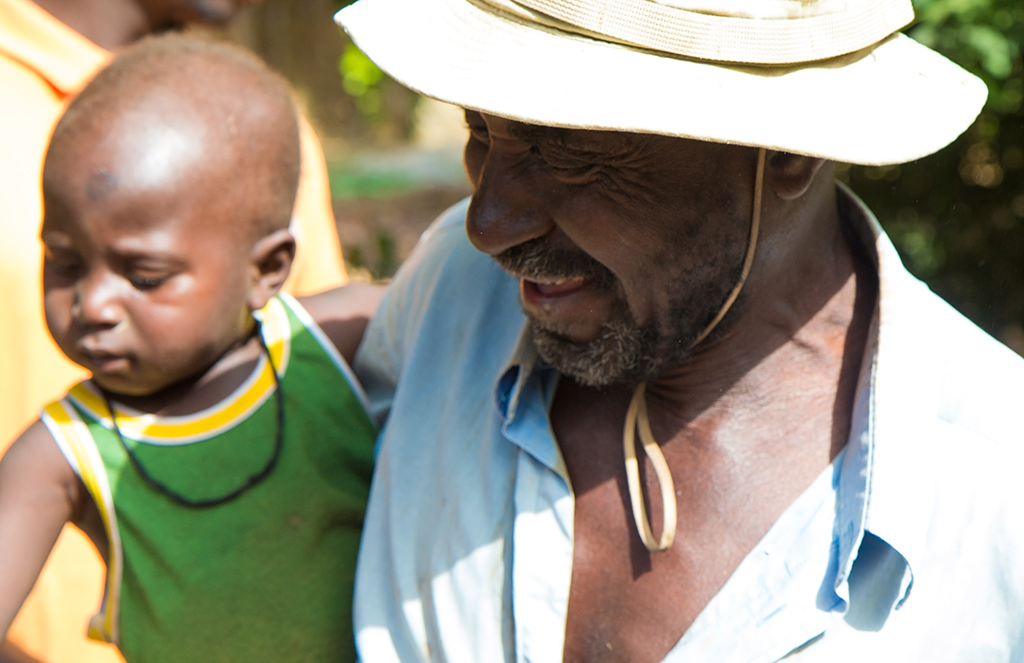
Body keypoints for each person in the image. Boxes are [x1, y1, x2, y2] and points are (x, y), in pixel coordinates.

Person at [335, 0, 1024, 660]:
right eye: (478, 133)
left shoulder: (993, 497)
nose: (486, 226)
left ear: (786, 151)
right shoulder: (451, 295)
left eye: (573, 155)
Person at [0, 34, 379, 663]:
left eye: (144, 277)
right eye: (64, 262)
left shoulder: (331, 347)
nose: (92, 305)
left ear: (268, 269)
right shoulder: (64, 452)